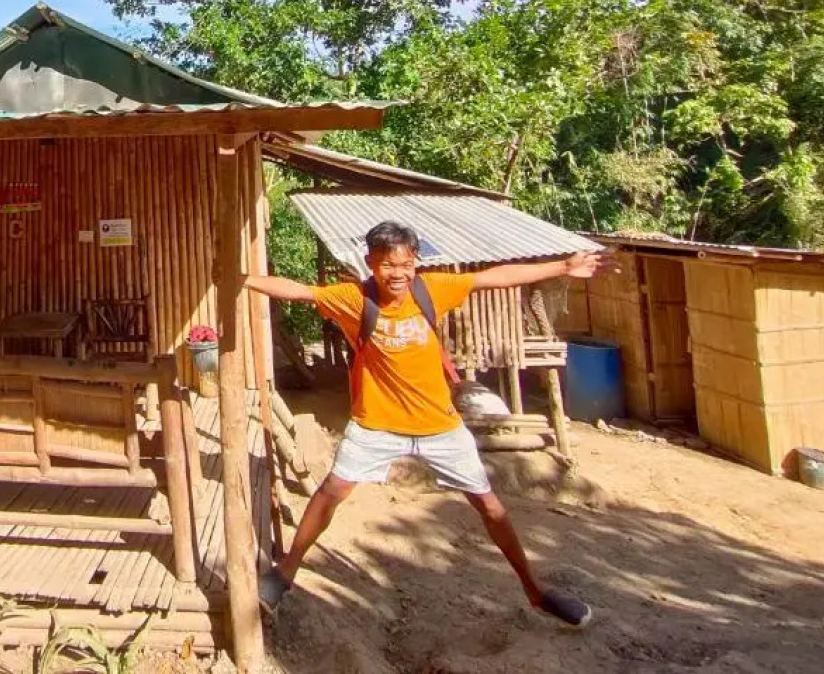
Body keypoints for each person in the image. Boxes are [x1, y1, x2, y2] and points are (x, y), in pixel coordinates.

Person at [242, 220, 605, 628]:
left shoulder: (431, 289)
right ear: (370, 263)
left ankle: (536, 592)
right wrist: (240, 279)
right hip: (376, 424)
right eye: (386, 265)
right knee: (330, 493)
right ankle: (284, 575)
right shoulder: (353, 300)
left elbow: (493, 277)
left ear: (415, 263)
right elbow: (300, 291)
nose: (397, 274)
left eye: (406, 264)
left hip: (440, 426)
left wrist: (561, 266)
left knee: (490, 506)